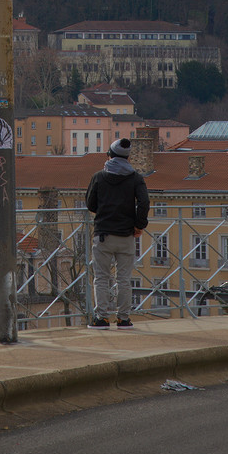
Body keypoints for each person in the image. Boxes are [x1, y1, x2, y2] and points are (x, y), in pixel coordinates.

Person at [85, 137, 149, 328]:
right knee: (124, 279)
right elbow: (144, 203)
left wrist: (104, 211)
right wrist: (139, 225)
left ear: (109, 155)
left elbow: (90, 204)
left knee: (101, 278)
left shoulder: (98, 177)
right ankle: (123, 318)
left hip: (103, 235)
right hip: (126, 235)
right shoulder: (136, 178)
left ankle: (102, 318)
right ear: (127, 158)